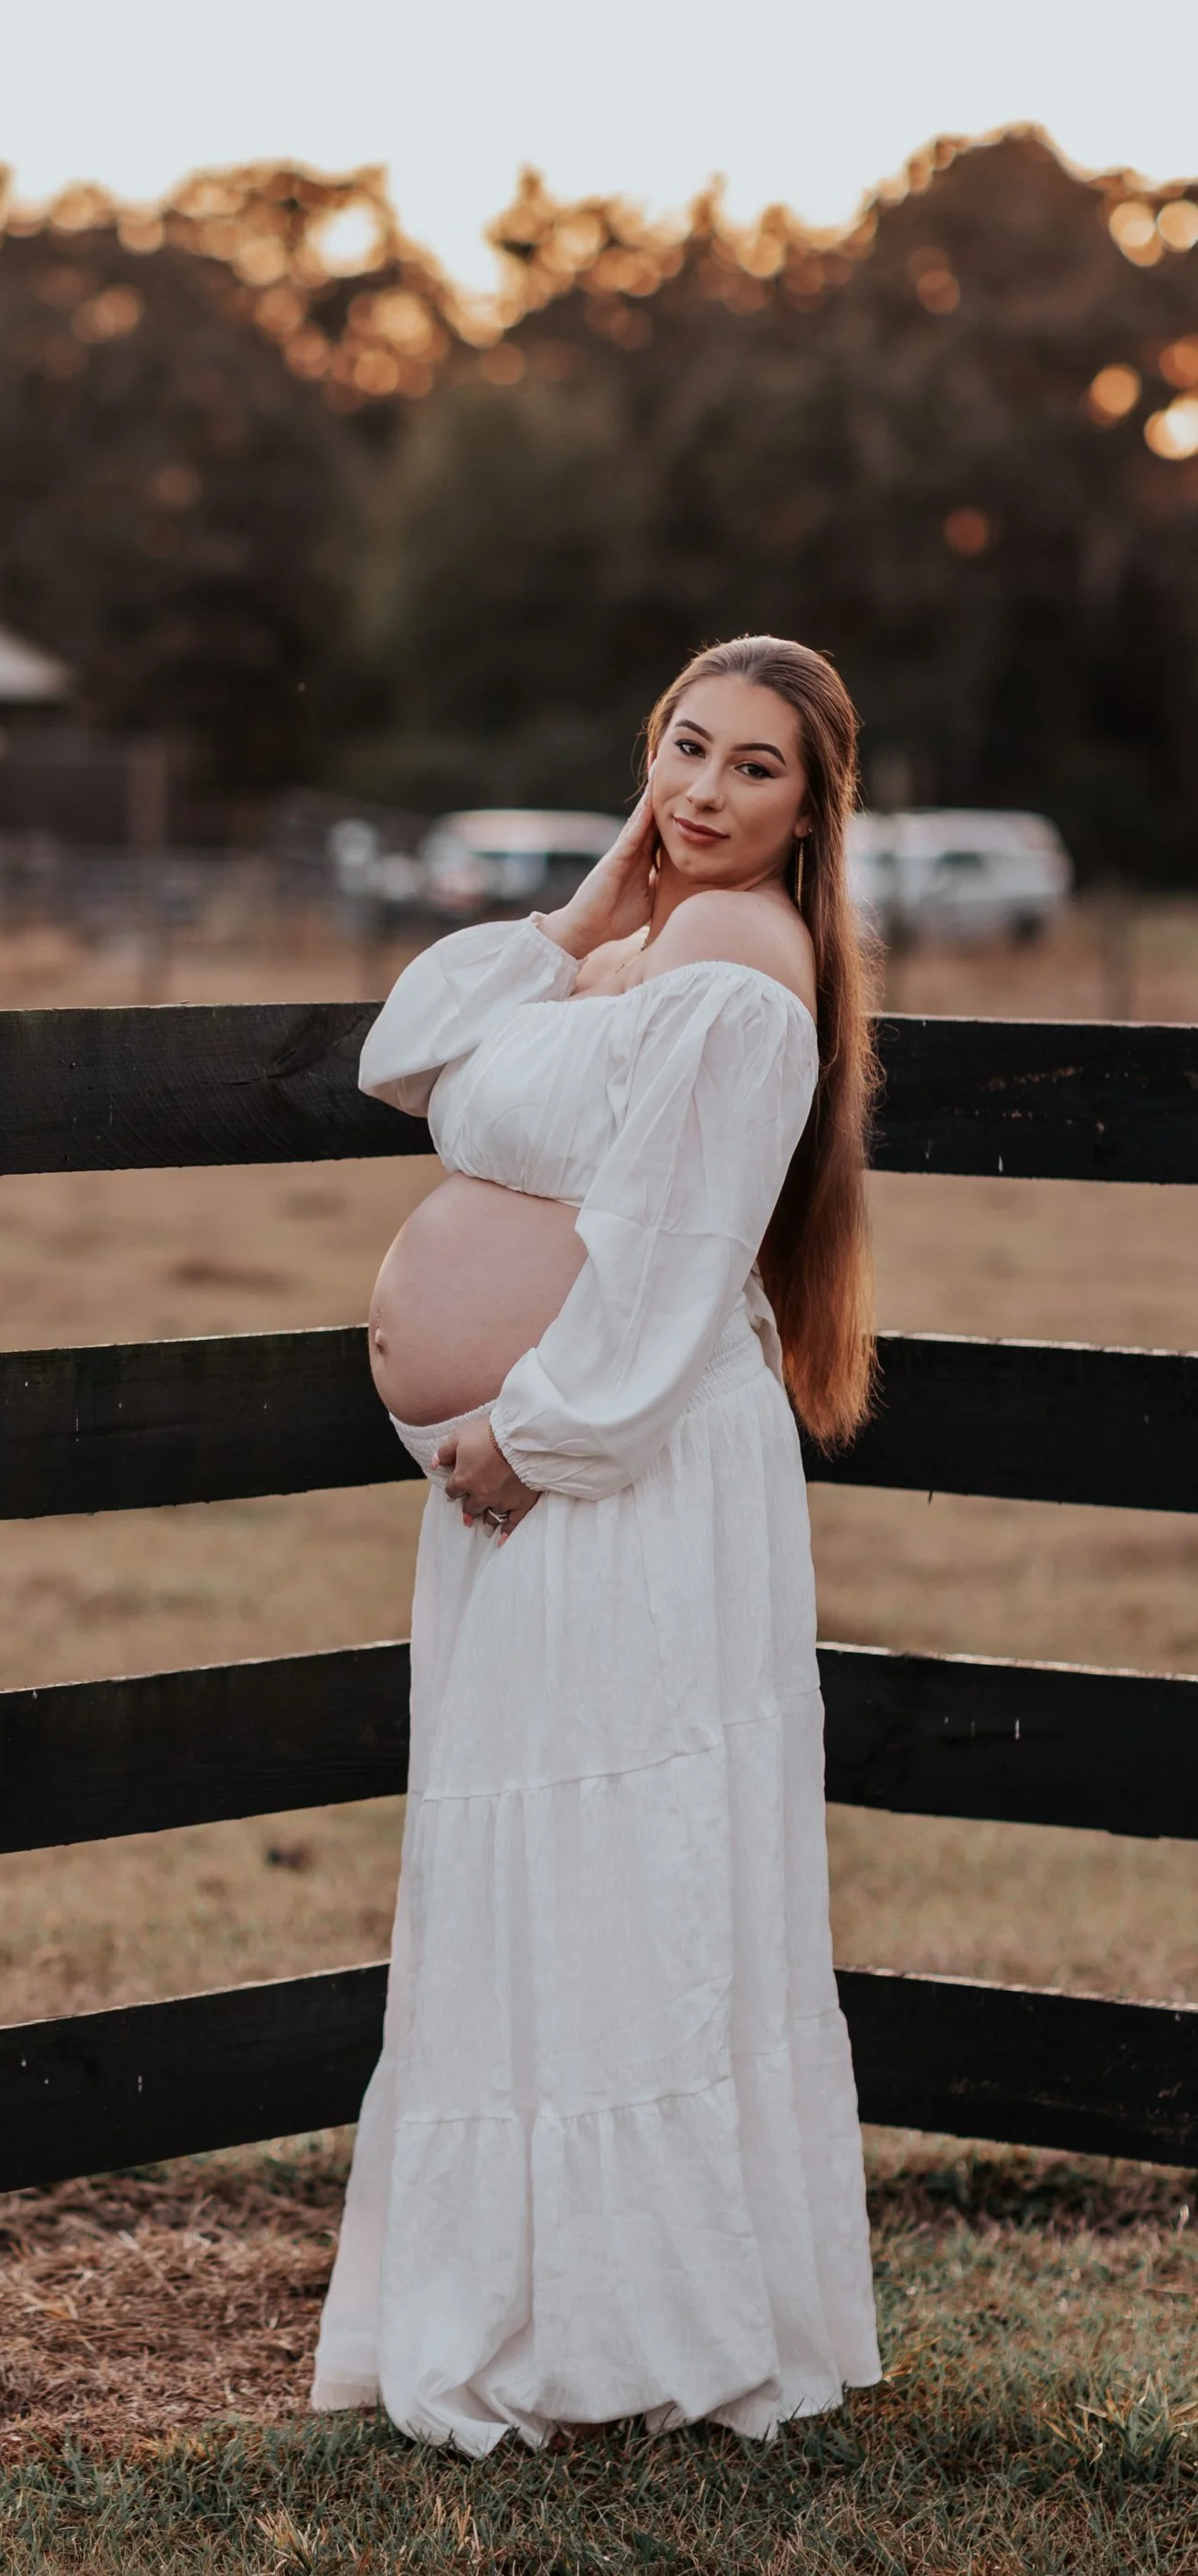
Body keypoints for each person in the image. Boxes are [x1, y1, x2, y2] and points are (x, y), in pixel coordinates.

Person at [312, 635, 882, 2453]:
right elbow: (402, 1055)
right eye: (681, 750)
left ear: (812, 812)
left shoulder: (740, 959)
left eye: (752, 772)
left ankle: (631, 2330)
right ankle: (542, 2309)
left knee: (621, 1865)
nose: (703, 794)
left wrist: (527, 1434)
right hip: (534, 1481)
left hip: (605, 1478)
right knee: (532, 1878)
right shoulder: (641, 937)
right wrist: (579, 904)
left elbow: (672, 1246)